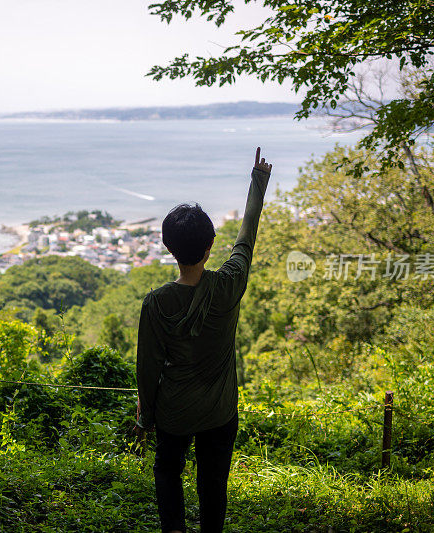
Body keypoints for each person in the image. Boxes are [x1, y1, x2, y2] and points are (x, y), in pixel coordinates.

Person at [135, 147, 272, 533]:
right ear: (211, 244)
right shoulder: (229, 285)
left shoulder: (157, 303)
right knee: (213, 481)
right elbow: (246, 237)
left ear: (167, 246)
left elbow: (147, 367)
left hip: (174, 411)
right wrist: (258, 181)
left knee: (167, 470)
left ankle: (175, 529)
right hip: (219, 410)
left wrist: (146, 417)